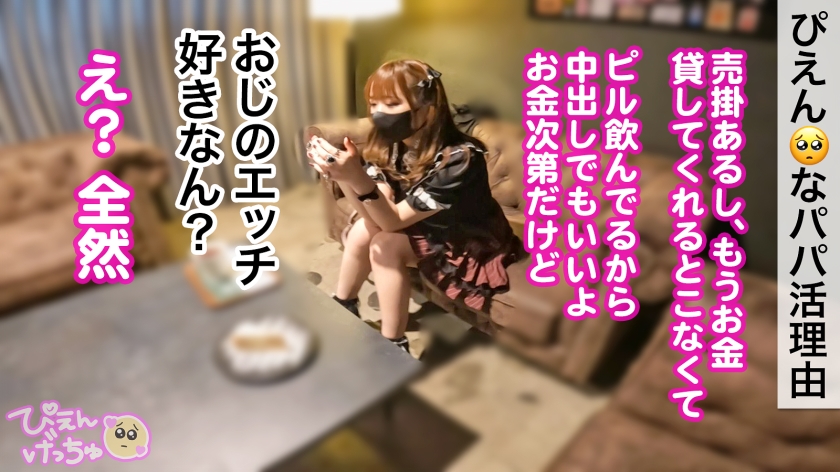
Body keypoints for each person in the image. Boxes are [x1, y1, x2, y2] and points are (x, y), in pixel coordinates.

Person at [307, 59, 521, 354]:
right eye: (374, 103)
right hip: (423, 222)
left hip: (466, 241)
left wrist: (355, 175)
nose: (379, 113)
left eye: (392, 103)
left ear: (427, 108)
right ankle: (344, 303)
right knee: (363, 230)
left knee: (385, 245)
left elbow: (391, 223)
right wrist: (342, 176)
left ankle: (394, 343)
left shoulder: (460, 159)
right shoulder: (393, 143)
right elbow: (375, 214)